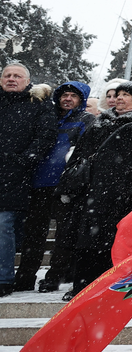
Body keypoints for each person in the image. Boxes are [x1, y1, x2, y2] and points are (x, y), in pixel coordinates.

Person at [65, 78, 132, 300]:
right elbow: (80, 153)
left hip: (125, 194)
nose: (119, 98)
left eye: (126, 95)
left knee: (118, 242)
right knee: (88, 241)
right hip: (94, 191)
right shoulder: (101, 122)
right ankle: (83, 287)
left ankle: (113, 287)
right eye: (118, 94)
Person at [16, 80, 94, 292]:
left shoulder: (86, 120)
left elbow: (84, 153)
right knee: (33, 234)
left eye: (73, 96)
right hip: (39, 183)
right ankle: (25, 277)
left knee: (63, 236)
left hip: (65, 186)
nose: (67, 99)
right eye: (64, 95)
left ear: (81, 100)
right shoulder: (47, 117)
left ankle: (54, 277)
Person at [0, 63, 57, 296]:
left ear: (27, 81)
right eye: (7, 75)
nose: (11, 79)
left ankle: (4, 279)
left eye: (17, 76)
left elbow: (46, 136)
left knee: (3, 226)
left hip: (16, 177)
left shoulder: (39, 104)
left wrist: (23, 160)